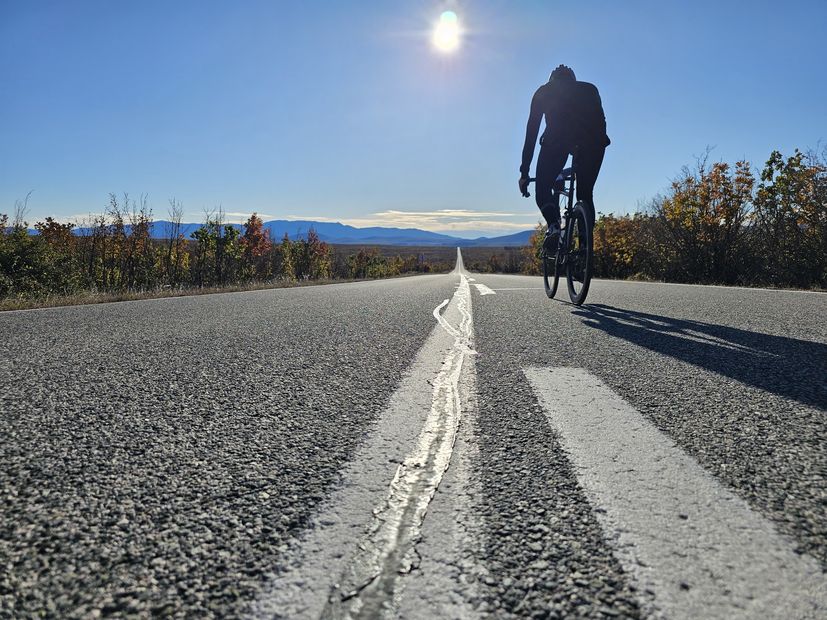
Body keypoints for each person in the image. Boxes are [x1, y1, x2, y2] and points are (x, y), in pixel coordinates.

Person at [518, 65, 610, 241]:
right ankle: (586, 245)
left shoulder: (544, 92)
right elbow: (601, 121)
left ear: (552, 79)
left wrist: (524, 172)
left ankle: (553, 227)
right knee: (585, 194)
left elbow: (531, 133)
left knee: (543, 188)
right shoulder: (590, 89)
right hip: (594, 143)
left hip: (556, 142)